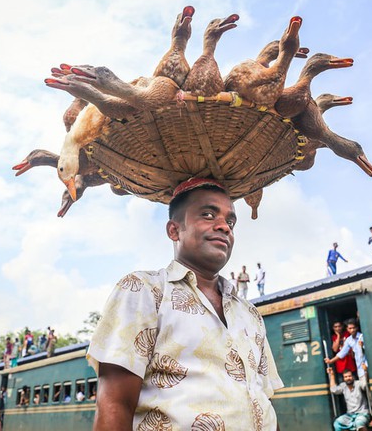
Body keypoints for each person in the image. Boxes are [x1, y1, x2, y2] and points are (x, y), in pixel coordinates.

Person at [86, 178, 284, 430]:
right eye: (208, 214)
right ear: (174, 230)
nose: (224, 226)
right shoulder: (143, 290)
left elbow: (263, 401)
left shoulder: (250, 313)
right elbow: (115, 404)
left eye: (230, 221)